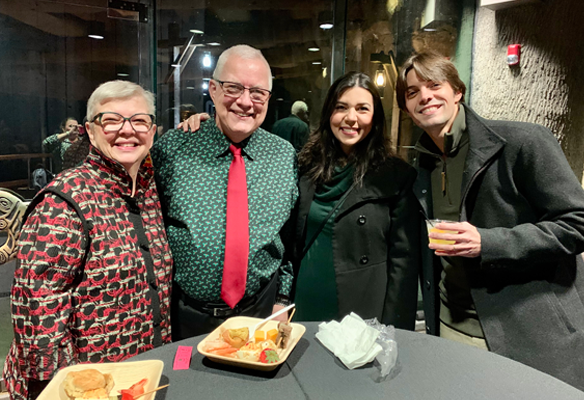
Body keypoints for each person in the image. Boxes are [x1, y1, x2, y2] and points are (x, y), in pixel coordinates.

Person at [397, 51, 584, 397]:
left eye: (434, 84)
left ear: (457, 91)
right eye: (413, 92)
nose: (425, 96)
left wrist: (488, 243)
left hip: (529, 330)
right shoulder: (420, 166)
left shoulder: (523, 142)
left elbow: (580, 224)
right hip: (452, 325)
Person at [3, 80, 173, 400]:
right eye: (111, 120)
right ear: (90, 131)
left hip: (138, 376)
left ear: (152, 131)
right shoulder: (64, 200)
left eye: (139, 120)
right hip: (85, 387)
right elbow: (37, 306)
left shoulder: (148, 190)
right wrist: (65, 387)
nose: (127, 130)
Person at [152, 44, 298, 339]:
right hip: (186, 316)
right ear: (213, 90)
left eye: (257, 93)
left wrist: (282, 300)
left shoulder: (283, 156)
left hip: (260, 312)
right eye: (233, 88)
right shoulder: (174, 148)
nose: (246, 102)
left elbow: (291, 235)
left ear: (268, 99)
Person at [292, 72, 419, 328]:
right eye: (341, 107)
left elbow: (403, 261)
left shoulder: (395, 176)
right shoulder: (304, 166)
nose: (351, 118)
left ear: (375, 119)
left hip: (361, 304)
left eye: (363, 109)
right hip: (307, 296)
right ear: (329, 113)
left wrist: (395, 326)